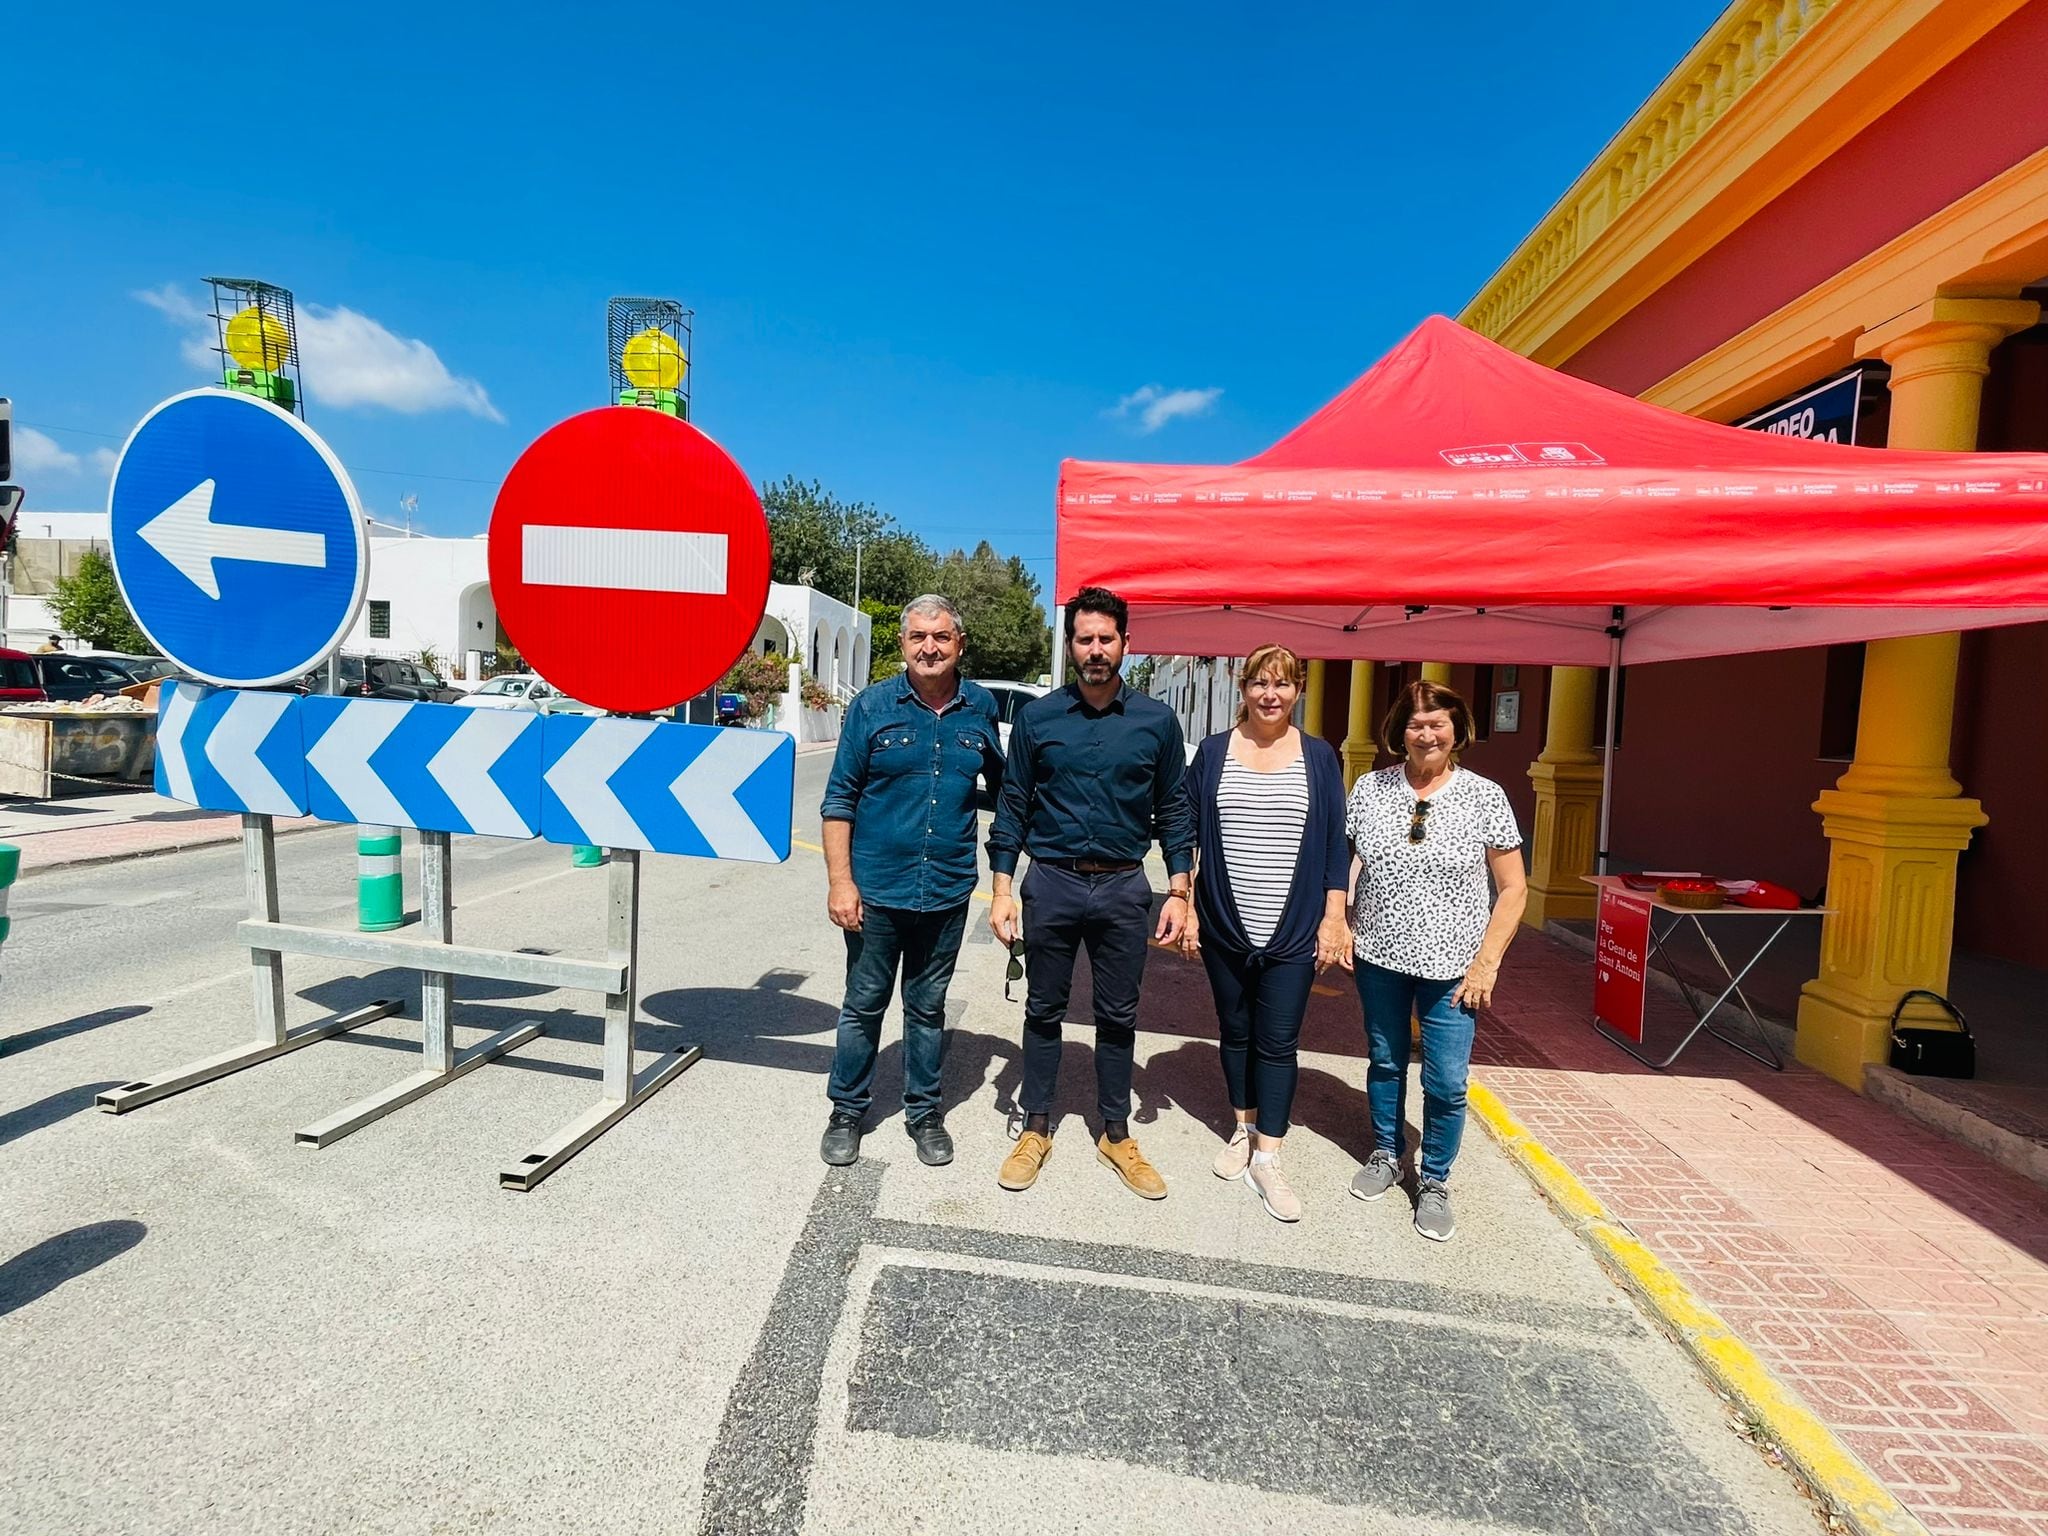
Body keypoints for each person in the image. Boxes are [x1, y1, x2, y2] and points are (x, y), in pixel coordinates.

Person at [986, 586, 1193, 1200]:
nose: (1096, 650)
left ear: (1127, 644)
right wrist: (1002, 889)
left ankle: (1115, 1133)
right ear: (1071, 645)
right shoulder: (1038, 719)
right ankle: (1036, 1126)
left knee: (1118, 1015)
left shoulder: (1156, 722)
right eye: (1085, 639)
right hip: (1050, 881)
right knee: (1043, 1008)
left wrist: (1178, 890)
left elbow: (1175, 811)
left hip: (1126, 887)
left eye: (1107, 639)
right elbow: (1012, 806)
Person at [818, 595, 1003, 1168]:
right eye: (919, 636)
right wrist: (840, 882)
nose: (930, 647)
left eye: (942, 637)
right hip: (875, 892)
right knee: (864, 1003)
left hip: (946, 891)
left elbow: (1005, 791)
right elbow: (838, 800)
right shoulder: (873, 707)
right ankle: (847, 1110)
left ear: (959, 644)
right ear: (902, 644)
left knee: (927, 1008)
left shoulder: (981, 707)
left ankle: (924, 1113)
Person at [1346, 678, 1527, 1242]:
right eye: (1415, 722)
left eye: (1437, 722)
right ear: (1399, 731)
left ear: (1457, 730)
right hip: (1378, 954)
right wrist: (1339, 920)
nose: (1426, 733)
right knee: (1385, 1060)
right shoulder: (1370, 790)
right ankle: (1385, 1152)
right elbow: (1343, 863)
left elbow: (1513, 888)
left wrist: (1487, 963)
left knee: (1446, 1082)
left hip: (1454, 967)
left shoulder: (1485, 796)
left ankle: (1435, 1179)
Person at [1178, 644, 1349, 1223]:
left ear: (1298, 689)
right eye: (1259, 684)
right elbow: (1191, 830)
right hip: (1227, 920)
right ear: (1242, 687)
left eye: (1281, 684)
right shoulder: (1213, 752)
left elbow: (1332, 843)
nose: (1269, 695)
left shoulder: (1321, 757)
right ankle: (1242, 1126)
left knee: (1278, 1041)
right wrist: (1193, 905)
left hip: (1294, 925)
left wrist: (1334, 915)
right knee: (1235, 1030)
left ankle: (1268, 1156)